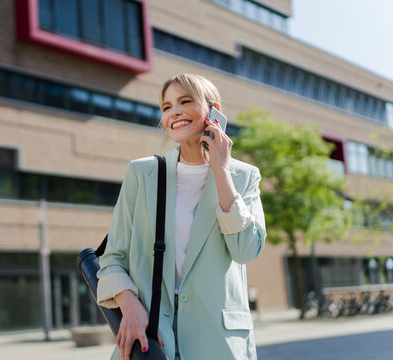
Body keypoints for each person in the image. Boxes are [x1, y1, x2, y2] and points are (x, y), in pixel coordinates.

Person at [97, 74, 266, 360]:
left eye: (185, 101)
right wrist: (129, 305)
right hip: (152, 334)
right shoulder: (143, 173)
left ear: (214, 112)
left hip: (218, 340)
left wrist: (222, 171)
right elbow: (113, 257)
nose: (173, 111)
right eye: (166, 106)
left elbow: (245, 250)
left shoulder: (244, 176)